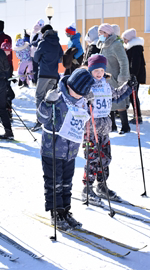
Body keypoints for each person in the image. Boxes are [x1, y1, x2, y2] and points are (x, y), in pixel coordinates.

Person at [37, 68, 95, 229]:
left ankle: (65, 211)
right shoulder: (58, 97)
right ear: (70, 86)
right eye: (77, 92)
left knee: (66, 183)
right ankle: (55, 212)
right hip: (52, 148)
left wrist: (90, 104)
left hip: (70, 150)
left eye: (82, 94)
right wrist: (47, 103)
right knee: (54, 182)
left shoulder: (82, 100)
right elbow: (41, 118)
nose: (78, 96)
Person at [82, 55, 137, 204]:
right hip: (91, 127)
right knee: (92, 158)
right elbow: (78, 100)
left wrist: (128, 86)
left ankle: (101, 184)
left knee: (105, 157)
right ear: (90, 70)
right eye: (96, 70)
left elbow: (117, 95)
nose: (99, 73)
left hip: (105, 127)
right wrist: (86, 99)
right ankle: (87, 188)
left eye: (101, 70)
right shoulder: (86, 85)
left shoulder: (106, 85)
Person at [98, 23, 131, 134]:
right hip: (106, 78)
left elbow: (123, 61)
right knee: (109, 101)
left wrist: (123, 76)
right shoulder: (103, 45)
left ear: (107, 33)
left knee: (119, 102)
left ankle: (125, 126)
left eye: (101, 33)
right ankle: (112, 126)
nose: (100, 35)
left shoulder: (116, 44)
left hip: (116, 77)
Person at [32, 25, 64, 131]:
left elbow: (36, 58)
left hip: (44, 74)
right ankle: (49, 118)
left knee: (39, 96)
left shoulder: (43, 43)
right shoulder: (57, 43)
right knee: (49, 98)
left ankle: (39, 120)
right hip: (54, 74)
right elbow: (60, 58)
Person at [122, 28, 146, 124]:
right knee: (132, 95)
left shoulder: (136, 47)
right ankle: (137, 115)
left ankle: (138, 116)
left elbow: (135, 63)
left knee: (133, 95)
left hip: (135, 75)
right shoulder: (132, 47)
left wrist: (133, 75)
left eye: (125, 38)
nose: (124, 41)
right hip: (134, 75)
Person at [30, 19, 45, 85]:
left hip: (33, 52)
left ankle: (35, 81)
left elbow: (31, 42)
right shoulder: (40, 33)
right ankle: (38, 81)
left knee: (35, 67)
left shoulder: (33, 32)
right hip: (39, 52)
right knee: (40, 67)